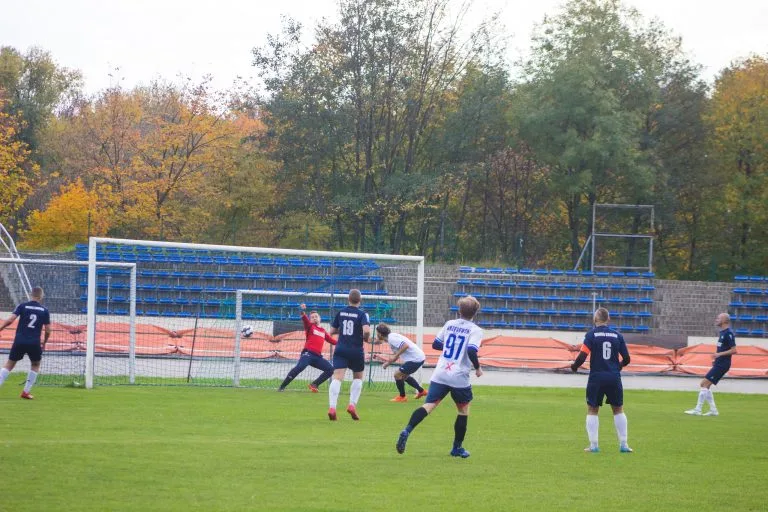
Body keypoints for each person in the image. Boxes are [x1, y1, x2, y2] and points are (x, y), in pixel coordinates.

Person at [395, 296, 483, 458]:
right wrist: (477, 368)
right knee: (463, 411)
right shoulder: (476, 330)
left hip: (441, 372)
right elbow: (471, 350)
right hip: (459, 376)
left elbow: (436, 344)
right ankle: (457, 448)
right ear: (475, 313)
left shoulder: (449, 324)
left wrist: (453, 346)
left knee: (429, 405)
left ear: (459, 311)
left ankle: (407, 430)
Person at [570, 307, 632, 453]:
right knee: (618, 409)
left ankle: (594, 445)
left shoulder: (591, 335)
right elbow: (627, 359)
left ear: (595, 319)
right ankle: (624, 445)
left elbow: (583, 355)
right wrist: (619, 366)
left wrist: (574, 366)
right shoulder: (618, 336)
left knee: (592, 409)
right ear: (608, 319)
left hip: (596, 377)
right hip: (613, 377)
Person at [0, 287, 51, 399]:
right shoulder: (44, 310)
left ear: (30, 295)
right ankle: (26, 392)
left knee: (9, 364)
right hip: (34, 342)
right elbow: (48, 330)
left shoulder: (22, 306)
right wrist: (44, 342)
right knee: (35, 364)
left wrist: (1, 328)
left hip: (19, 340)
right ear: (41, 296)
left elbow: (10, 320)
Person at [327, 289, 370, 421]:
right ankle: (352, 405)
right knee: (358, 377)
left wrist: (344, 332)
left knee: (337, 377)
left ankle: (332, 407)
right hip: (356, 350)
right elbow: (367, 331)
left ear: (348, 299)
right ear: (360, 300)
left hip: (341, 349)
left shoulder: (341, 312)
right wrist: (365, 338)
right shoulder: (363, 314)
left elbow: (332, 331)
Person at [684, 313, 737, 417]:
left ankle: (698, 409)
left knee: (703, 384)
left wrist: (719, 354)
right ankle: (713, 411)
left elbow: (734, 350)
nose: (716, 319)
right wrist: (717, 358)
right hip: (719, 363)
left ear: (725, 321)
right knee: (706, 385)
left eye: (719, 318)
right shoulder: (722, 333)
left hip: (723, 364)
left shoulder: (728, 333)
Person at [277, 303, 337, 392]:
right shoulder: (310, 326)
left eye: (316, 316)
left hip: (317, 357)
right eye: (312, 317)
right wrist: (301, 310)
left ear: (320, 318)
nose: (314, 318)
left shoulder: (323, 331)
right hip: (307, 354)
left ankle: (314, 384)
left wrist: (344, 343)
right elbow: (304, 317)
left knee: (330, 369)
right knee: (299, 368)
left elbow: (332, 341)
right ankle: (282, 387)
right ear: (310, 320)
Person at [374, 323, 427, 402]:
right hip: (418, 358)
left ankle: (402, 397)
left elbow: (405, 346)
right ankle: (421, 391)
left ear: (380, 334)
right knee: (403, 376)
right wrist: (387, 363)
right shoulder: (391, 338)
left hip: (416, 359)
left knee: (397, 374)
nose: (376, 334)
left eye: (377, 333)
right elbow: (397, 355)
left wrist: (395, 357)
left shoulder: (392, 339)